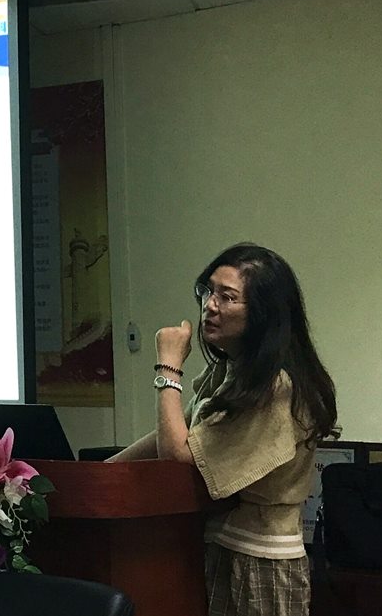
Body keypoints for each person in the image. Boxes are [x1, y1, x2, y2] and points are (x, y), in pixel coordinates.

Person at [107, 243, 336, 616]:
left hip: (262, 558)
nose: (210, 305)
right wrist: (104, 472)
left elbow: (179, 455)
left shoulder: (277, 385)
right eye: (208, 291)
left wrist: (168, 368)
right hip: (225, 544)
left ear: (262, 313)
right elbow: (183, 432)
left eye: (227, 297)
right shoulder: (231, 369)